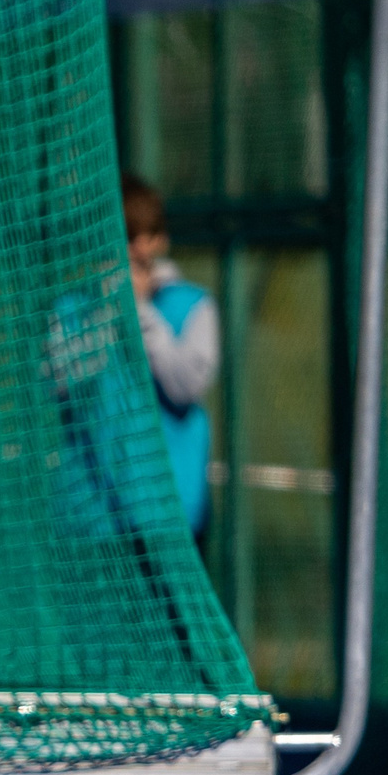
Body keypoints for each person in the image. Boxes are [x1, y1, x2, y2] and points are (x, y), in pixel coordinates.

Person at [122, 174, 220, 541]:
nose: (133, 249)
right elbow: (61, 381)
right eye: (125, 236)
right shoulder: (79, 307)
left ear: (159, 240)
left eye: (141, 236)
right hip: (93, 514)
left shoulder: (194, 305)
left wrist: (141, 312)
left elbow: (185, 386)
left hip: (172, 510)